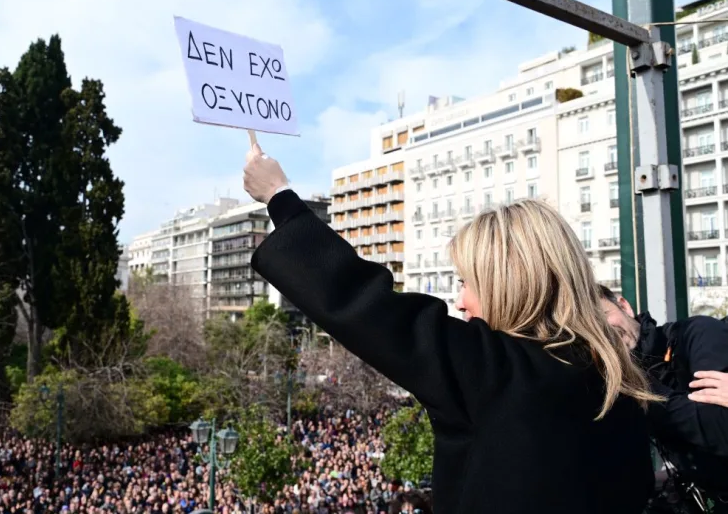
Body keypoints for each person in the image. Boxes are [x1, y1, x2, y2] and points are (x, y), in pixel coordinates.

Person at [243, 142, 659, 514]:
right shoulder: (620, 380)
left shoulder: (495, 372)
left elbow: (361, 302)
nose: (459, 301)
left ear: (509, 282)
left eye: (466, 282)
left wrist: (279, 196)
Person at [598, 286, 728, 511]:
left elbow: (721, 428)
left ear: (624, 306)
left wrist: (638, 388)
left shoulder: (697, 334)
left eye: (603, 316)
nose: (602, 332)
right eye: (590, 329)